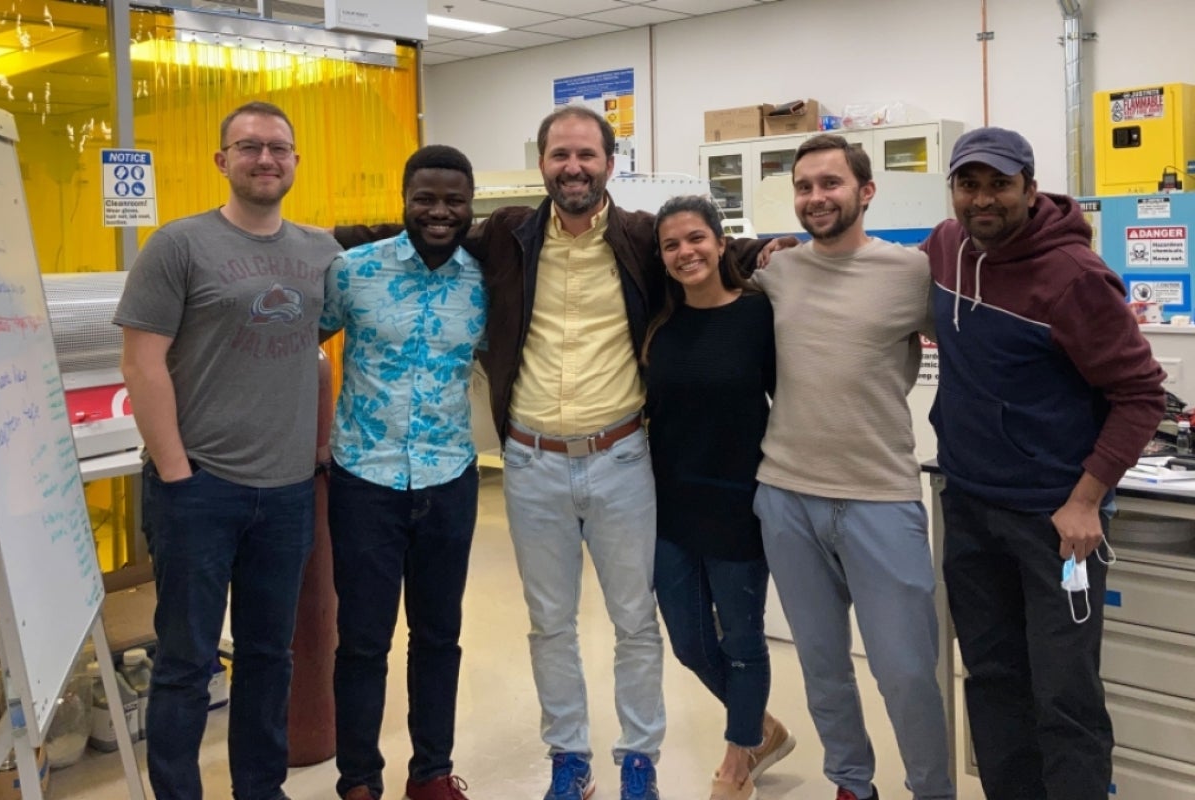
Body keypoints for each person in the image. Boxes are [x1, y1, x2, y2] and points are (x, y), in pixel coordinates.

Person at [334, 106, 781, 800]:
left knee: (635, 621)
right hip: (533, 461)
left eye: (587, 155)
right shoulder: (509, 234)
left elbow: (711, 251)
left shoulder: (638, 236)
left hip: (622, 456)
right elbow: (418, 226)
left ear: (610, 162)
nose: (573, 167)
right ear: (542, 163)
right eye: (559, 155)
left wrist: (773, 252)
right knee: (550, 624)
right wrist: (306, 243)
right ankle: (569, 760)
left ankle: (640, 761)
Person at [922, 127, 1167, 800]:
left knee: (1064, 696)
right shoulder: (946, 247)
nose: (982, 199)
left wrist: (1086, 499)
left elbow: (1141, 394)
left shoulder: (1074, 278)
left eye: (999, 183)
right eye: (968, 184)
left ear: (1030, 188)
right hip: (969, 506)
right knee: (994, 682)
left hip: (1055, 523)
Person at [114, 101, 341, 800]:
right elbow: (141, 363)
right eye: (248, 147)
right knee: (185, 661)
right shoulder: (177, 245)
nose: (265, 158)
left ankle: (259, 789)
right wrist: (178, 474)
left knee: (270, 657)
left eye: (278, 147)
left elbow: (320, 354)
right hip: (199, 490)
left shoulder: (320, 251)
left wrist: (319, 449)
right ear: (222, 161)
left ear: (297, 161)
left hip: (286, 494)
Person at [751, 134, 954, 800]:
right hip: (786, 495)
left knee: (906, 671)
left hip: (879, 496)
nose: (816, 197)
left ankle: (931, 789)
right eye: (804, 186)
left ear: (865, 192)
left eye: (830, 184)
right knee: (822, 665)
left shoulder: (910, 272)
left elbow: (974, 349)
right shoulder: (776, 272)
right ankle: (850, 783)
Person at [320, 145, 485, 800]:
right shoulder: (352, 271)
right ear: (404, 199)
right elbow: (301, 345)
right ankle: (359, 780)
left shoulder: (483, 281)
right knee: (362, 640)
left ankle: (432, 774)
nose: (439, 212)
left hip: (450, 479)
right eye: (426, 198)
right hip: (366, 480)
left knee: (439, 635)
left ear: (470, 205)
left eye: (453, 200)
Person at [642, 195, 793, 800]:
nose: (686, 252)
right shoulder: (658, 321)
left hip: (739, 503)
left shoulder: (760, 316)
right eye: (672, 244)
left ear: (721, 242)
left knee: (741, 638)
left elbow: (789, 401)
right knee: (688, 642)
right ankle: (761, 727)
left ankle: (738, 761)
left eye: (696, 239)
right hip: (670, 504)